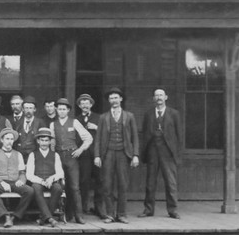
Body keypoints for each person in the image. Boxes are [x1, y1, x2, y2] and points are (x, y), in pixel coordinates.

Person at [94, 87, 140, 224]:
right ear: (109, 101)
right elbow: (98, 138)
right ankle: (109, 214)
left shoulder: (129, 116)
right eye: (111, 98)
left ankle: (122, 214)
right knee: (107, 185)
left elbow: (135, 138)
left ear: (121, 99)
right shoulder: (103, 117)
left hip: (123, 154)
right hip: (107, 154)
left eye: (116, 98)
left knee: (122, 184)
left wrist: (135, 155)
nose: (114, 100)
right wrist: (97, 155)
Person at [139, 88, 182, 219]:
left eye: (161, 95)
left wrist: (177, 154)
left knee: (171, 182)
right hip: (152, 151)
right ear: (153, 98)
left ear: (166, 97)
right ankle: (148, 209)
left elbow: (179, 135)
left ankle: (173, 210)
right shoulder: (148, 114)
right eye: (156, 95)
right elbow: (145, 134)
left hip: (168, 152)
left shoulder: (174, 114)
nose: (159, 97)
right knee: (150, 182)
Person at [50, 98, 93, 224]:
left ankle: (79, 215)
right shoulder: (53, 124)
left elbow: (88, 138)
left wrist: (80, 150)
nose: (61, 111)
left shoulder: (74, 122)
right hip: (58, 157)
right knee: (62, 187)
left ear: (68, 110)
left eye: (64, 109)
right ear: (56, 110)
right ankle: (66, 214)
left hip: (71, 157)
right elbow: (52, 142)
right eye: (59, 109)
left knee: (74, 187)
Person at [0, 128, 33, 228]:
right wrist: (1, 182)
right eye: (7, 139)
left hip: (15, 182)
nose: (10, 141)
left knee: (29, 191)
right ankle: (5, 215)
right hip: (1, 183)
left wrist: (21, 180)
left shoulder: (18, 154)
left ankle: (15, 216)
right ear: (2, 140)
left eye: (11, 139)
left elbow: (22, 172)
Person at [25, 128, 62, 227]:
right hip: (38, 181)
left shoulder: (55, 155)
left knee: (58, 188)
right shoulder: (33, 155)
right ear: (38, 141)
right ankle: (50, 218)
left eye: (46, 140)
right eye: (42, 140)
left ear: (50, 141)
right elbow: (29, 175)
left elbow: (60, 173)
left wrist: (52, 178)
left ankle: (43, 218)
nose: (44, 143)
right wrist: (41, 181)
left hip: (51, 181)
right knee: (35, 188)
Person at [76, 94, 101, 215]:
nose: (85, 105)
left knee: (99, 180)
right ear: (79, 106)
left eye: (87, 103)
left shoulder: (99, 118)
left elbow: (106, 133)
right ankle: (84, 207)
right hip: (84, 155)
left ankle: (98, 207)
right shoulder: (76, 120)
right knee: (84, 180)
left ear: (91, 105)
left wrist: (97, 128)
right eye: (82, 103)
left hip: (97, 154)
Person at [14, 95, 45, 161]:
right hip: (20, 156)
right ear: (22, 109)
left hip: (35, 156)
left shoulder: (40, 122)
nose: (28, 110)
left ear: (34, 109)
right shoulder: (17, 123)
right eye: (26, 108)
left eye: (30, 108)